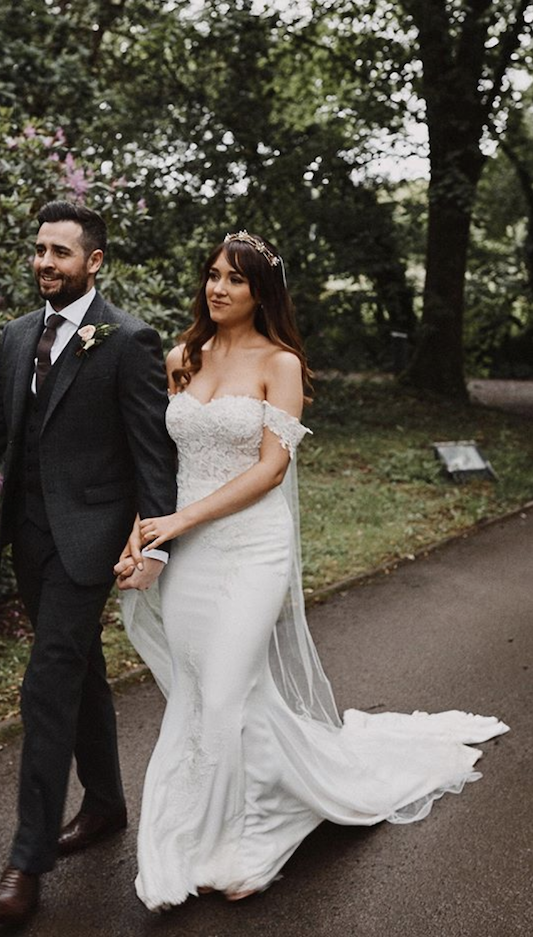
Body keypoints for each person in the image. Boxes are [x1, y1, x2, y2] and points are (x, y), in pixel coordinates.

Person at [117, 230, 510, 912]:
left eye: (235, 280)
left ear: (260, 293)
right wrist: (144, 537)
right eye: (212, 274)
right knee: (205, 690)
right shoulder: (183, 356)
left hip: (252, 549)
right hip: (189, 553)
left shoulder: (282, 363)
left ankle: (245, 839)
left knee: (228, 689)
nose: (218, 288)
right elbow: (157, 463)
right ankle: (222, 813)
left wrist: (181, 522)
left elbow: (271, 470)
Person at [0, 201, 177, 926]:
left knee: (47, 683)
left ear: (93, 262)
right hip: (28, 539)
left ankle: (26, 860)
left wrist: (154, 545)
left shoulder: (128, 340)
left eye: (59, 253)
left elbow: (151, 454)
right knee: (80, 668)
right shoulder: (14, 337)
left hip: (88, 542)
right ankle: (105, 803)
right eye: (38, 249)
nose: (43, 262)